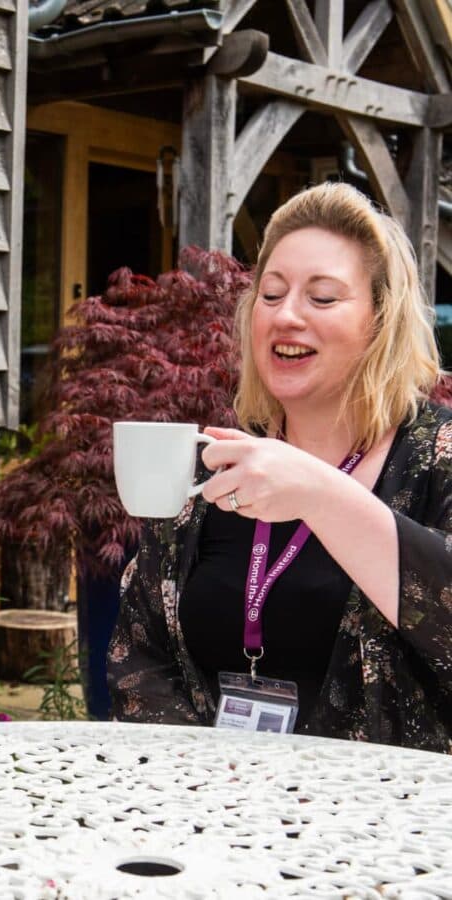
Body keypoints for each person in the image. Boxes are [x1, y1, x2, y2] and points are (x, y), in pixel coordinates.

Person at [107, 181, 452, 751]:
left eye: (322, 298)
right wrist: (206, 780)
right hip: (221, 815)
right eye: (271, 294)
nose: (287, 315)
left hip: (391, 823)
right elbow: (138, 653)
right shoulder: (214, 466)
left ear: (379, 320)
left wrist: (318, 492)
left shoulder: (437, 456)